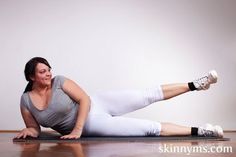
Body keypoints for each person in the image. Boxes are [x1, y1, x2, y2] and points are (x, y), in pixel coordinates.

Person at [16, 57, 223, 139]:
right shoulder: (26, 101)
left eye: (49, 69)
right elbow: (35, 128)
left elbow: (85, 100)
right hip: (93, 124)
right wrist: (29, 130)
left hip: (96, 104)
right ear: (31, 76)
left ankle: (196, 84)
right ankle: (204, 131)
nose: (48, 73)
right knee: (149, 128)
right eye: (43, 72)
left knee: (146, 94)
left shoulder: (60, 81)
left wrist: (76, 130)